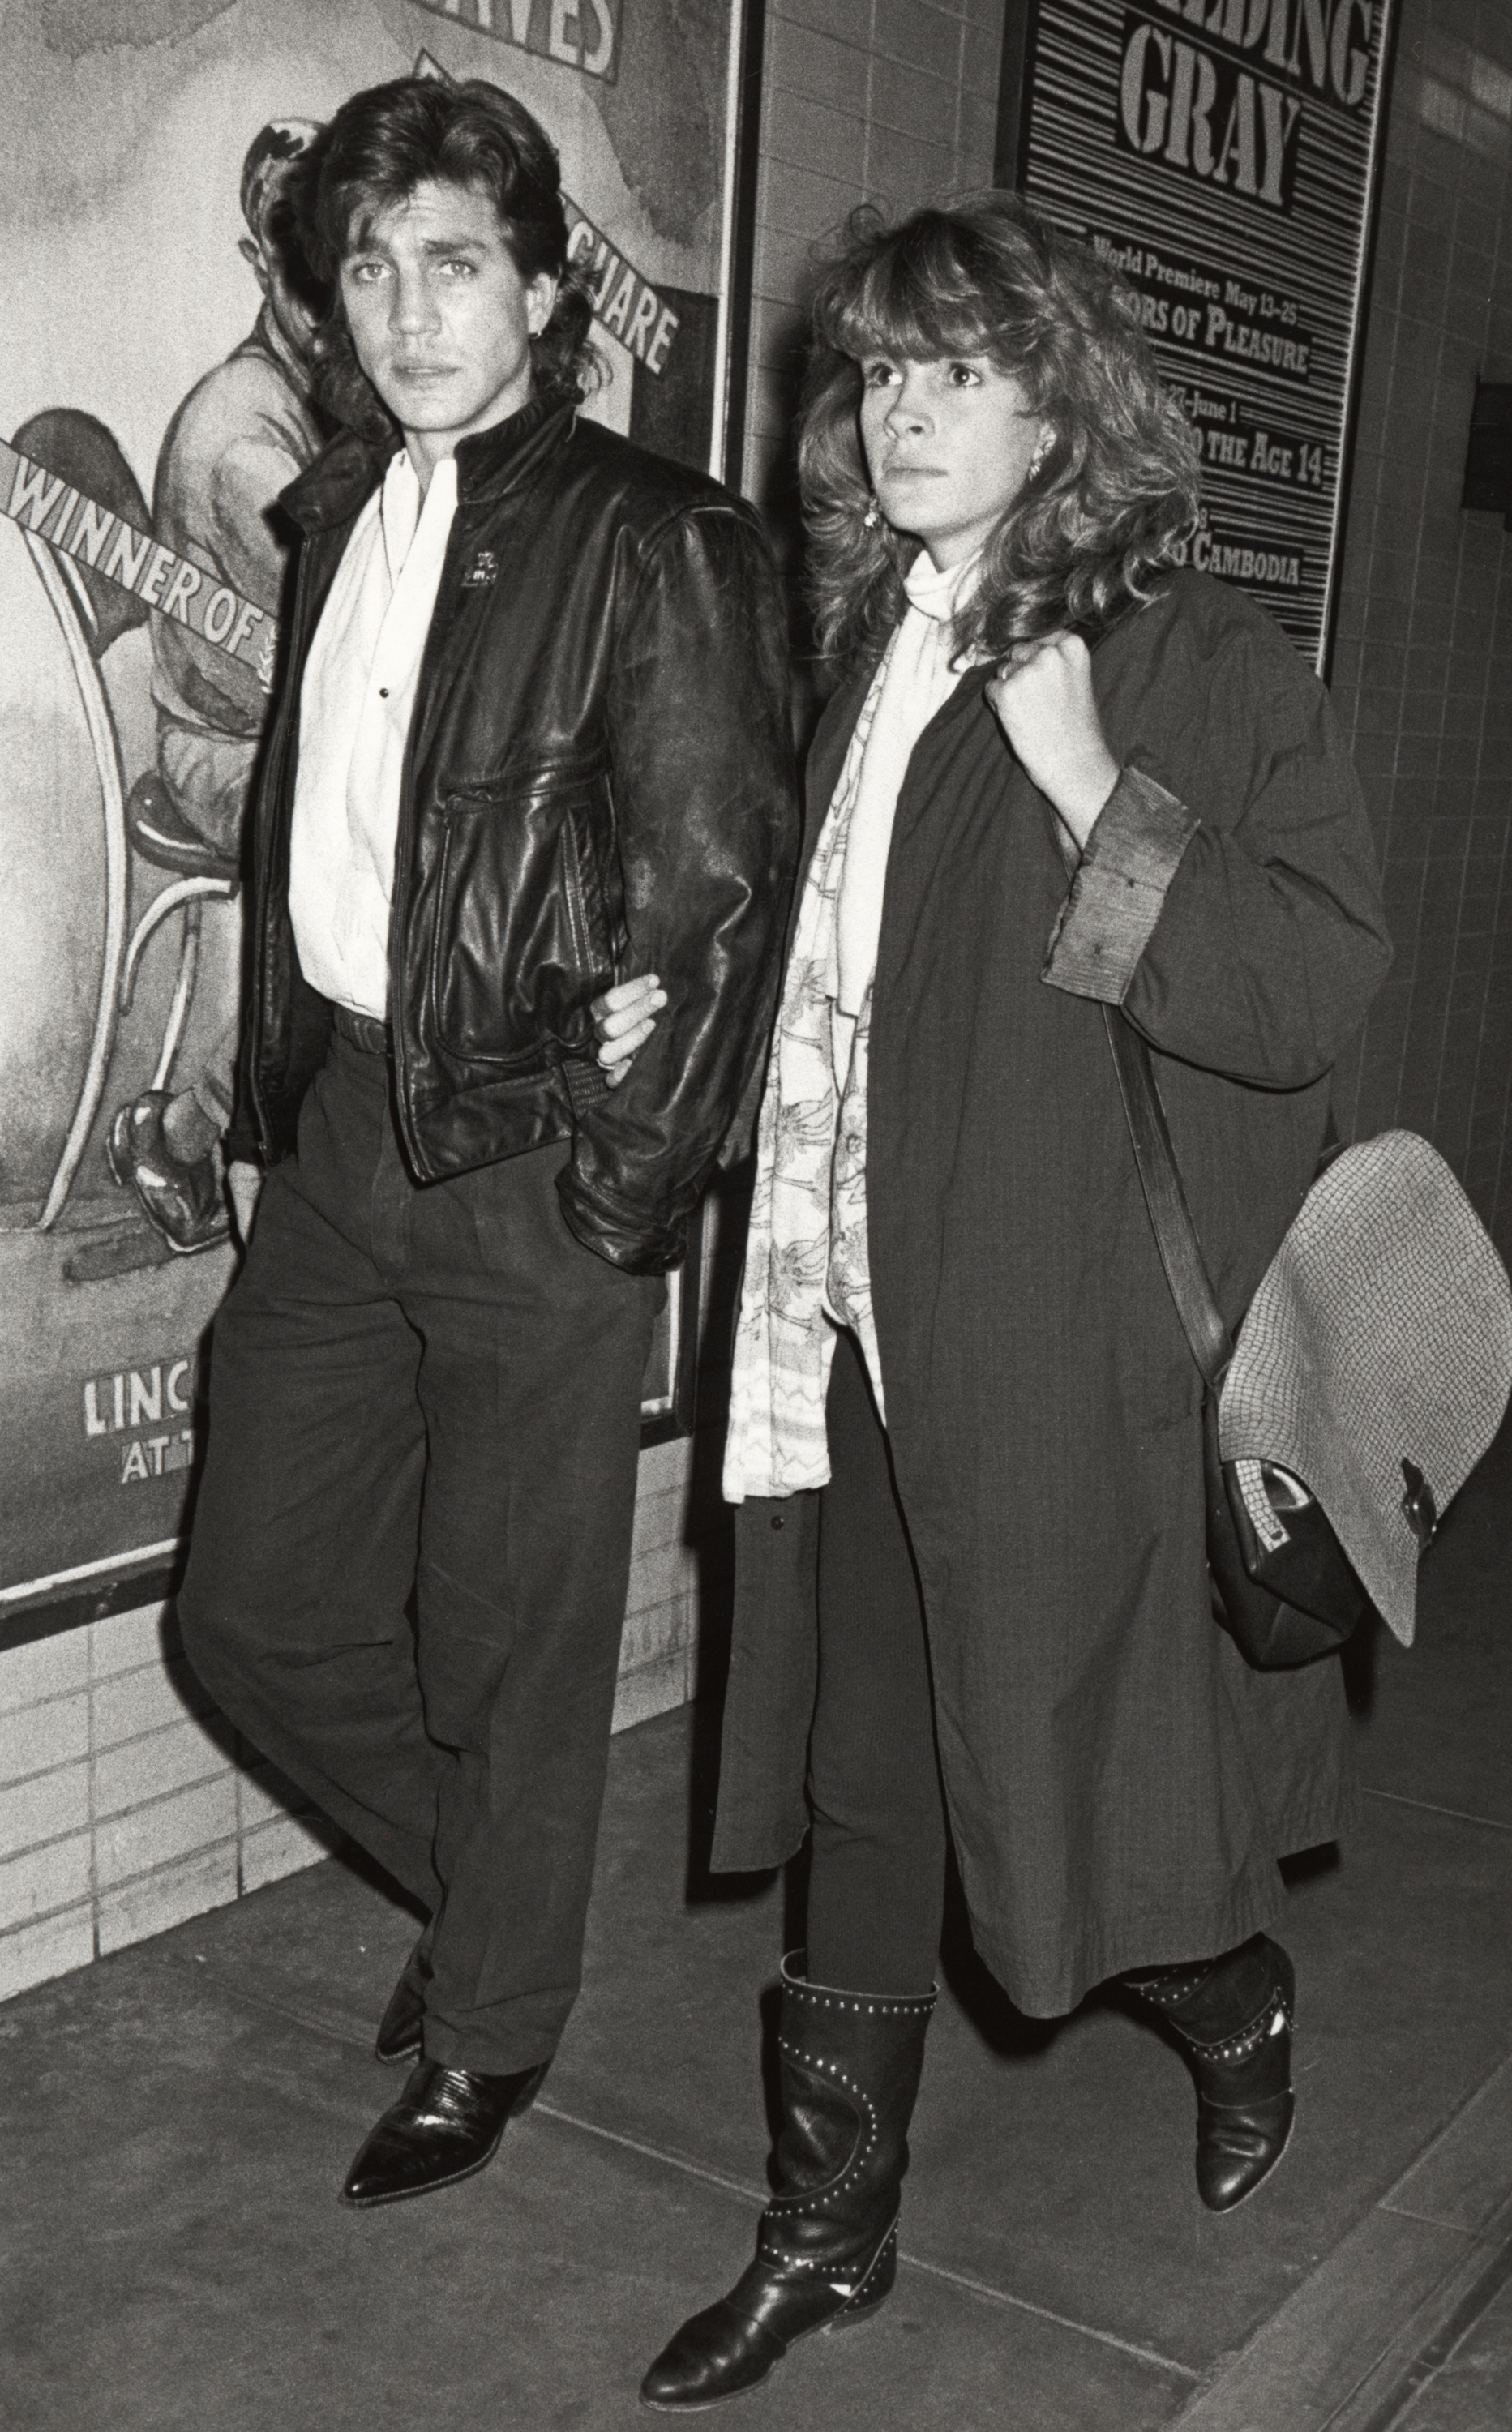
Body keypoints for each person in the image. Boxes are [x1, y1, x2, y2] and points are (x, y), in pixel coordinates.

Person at [627, 196, 1390, 2411]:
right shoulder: (857, 643)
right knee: (874, 1790)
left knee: (1070, 1801)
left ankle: (1225, 1994)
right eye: (879, 372)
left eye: (959, 370)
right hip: (851, 1333)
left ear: (1063, 400)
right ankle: (820, 2237)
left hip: (1066, 1360)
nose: (904, 412)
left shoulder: (1188, 659)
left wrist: (1085, 784)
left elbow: (1293, 987)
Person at [176, 75, 795, 2211]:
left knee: (506, 1631)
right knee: (248, 1607)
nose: (407, 306)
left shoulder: (656, 536)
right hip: (354, 1118)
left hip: (536, 1153)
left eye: (452, 260)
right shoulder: (340, 505)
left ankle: (495, 2025)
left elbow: (715, 908)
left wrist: (611, 1188)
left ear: (542, 285)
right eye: (368, 266)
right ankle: (495, 1897)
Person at [107, 118, 329, 1256]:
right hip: (224, 754)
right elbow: (353, 650)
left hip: (278, 735)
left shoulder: (312, 396)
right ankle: (189, 1135)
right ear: (258, 264)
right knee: (362, 871)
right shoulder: (247, 441)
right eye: (303, 261)